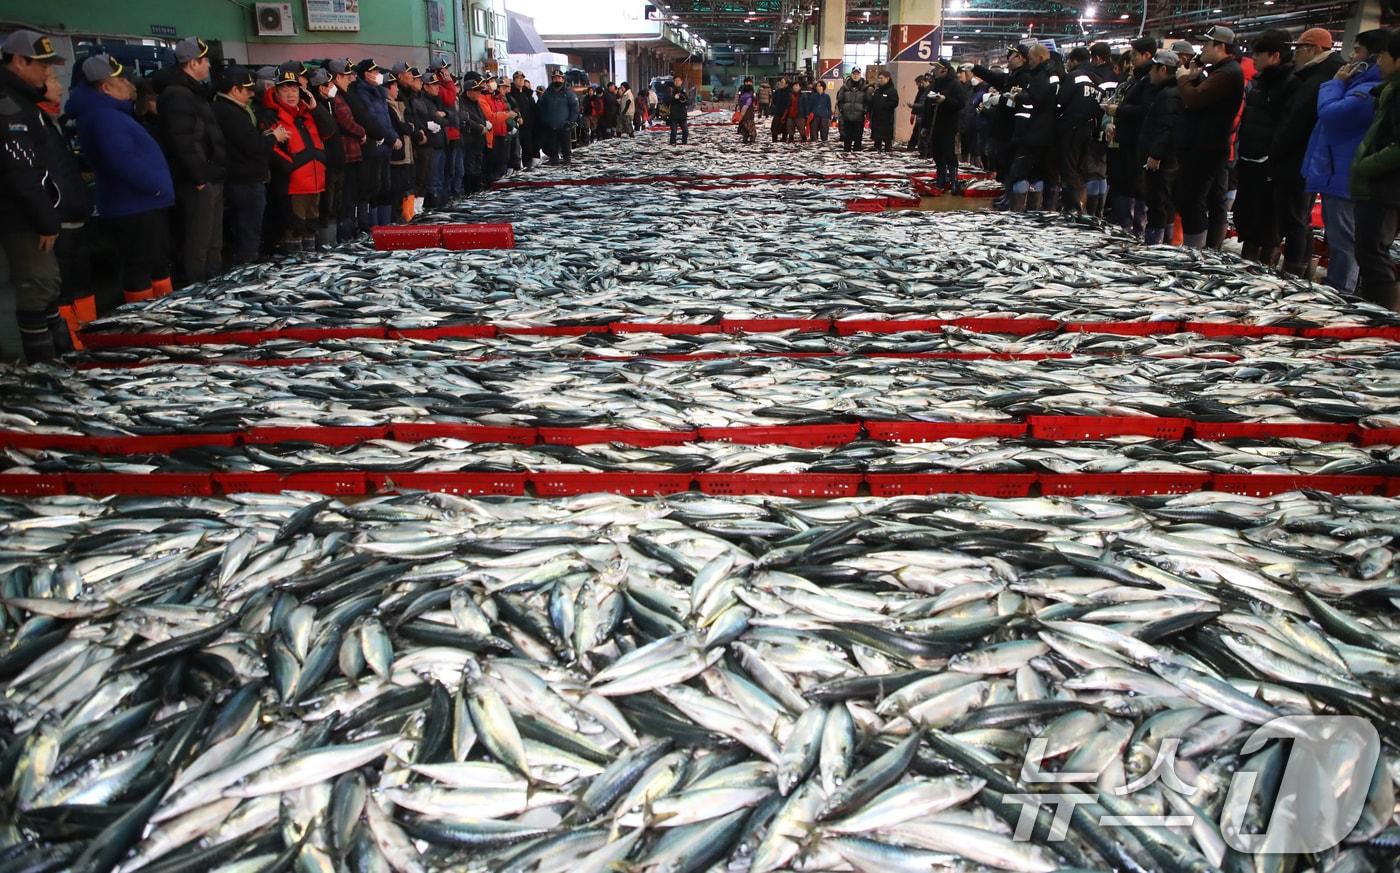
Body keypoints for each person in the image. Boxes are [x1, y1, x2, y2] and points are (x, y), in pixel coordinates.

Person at [0, 30, 89, 361]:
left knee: (46, 289)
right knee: (37, 290)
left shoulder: (22, 103)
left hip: (31, 215)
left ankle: (56, 360)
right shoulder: (9, 106)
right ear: (18, 62)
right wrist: (46, 220)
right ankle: (40, 373)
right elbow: (20, 171)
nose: (47, 74)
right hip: (22, 220)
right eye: (42, 66)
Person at [66, 54, 176, 305]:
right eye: (123, 79)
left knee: (154, 264)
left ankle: (165, 310)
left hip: (143, 204)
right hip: (134, 205)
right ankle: (143, 319)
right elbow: (121, 161)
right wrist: (156, 187)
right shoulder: (105, 118)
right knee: (140, 267)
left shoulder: (112, 114)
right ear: (106, 87)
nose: (130, 84)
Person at [1305, 29, 1388, 294]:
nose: (1350, 57)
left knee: (1345, 243)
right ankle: (1338, 287)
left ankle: (1342, 294)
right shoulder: (1359, 86)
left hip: (1344, 177)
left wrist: (1335, 83)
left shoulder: (1366, 91)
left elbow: (1331, 114)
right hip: (1336, 173)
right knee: (1341, 240)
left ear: (1375, 58)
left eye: (1357, 51)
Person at [1273, 28, 1346, 277]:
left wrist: (1276, 150)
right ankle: (1299, 271)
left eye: (1299, 48)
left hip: (1300, 161)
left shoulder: (1317, 79)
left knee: (1294, 219)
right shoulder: (1319, 75)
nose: (1295, 55)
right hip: (1308, 160)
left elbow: (1296, 123)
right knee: (1299, 218)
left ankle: (1293, 274)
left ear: (1314, 50)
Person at [157, 36, 227, 284]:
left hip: (211, 175)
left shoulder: (195, 93)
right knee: (199, 239)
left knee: (213, 239)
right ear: (192, 63)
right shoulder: (177, 95)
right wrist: (198, 176)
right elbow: (181, 142)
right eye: (205, 60)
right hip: (199, 180)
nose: (208, 65)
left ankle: (215, 283)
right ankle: (197, 290)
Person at [1175, 25, 1245, 248]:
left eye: (1206, 44)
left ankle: (1194, 253)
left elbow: (1194, 100)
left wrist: (1184, 79)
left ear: (1221, 46)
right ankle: (1204, 249)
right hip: (1206, 145)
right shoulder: (1220, 71)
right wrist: (1194, 78)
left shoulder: (1227, 73)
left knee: (1192, 198)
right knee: (1208, 200)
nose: (1202, 49)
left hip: (1207, 147)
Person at [1232, 30, 1296, 265]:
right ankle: (1245, 267)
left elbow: (1289, 127)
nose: (1254, 58)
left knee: (1269, 221)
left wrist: (1273, 157)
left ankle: (1265, 269)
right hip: (1249, 158)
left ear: (1275, 55)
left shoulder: (1291, 83)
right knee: (1246, 215)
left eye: (1259, 53)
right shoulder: (1257, 82)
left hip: (1270, 164)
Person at [1350, 29, 1400, 312]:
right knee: (1368, 251)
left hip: (1385, 187)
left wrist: (1365, 166)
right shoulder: (1390, 90)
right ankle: (1373, 312)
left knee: (1372, 252)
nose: (1378, 62)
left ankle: (1384, 322)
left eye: (1383, 56)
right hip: (1380, 186)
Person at [212, 65, 280, 265]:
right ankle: (247, 267)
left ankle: (248, 260)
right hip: (244, 179)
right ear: (235, 90)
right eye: (247, 89)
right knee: (248, 225)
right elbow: (252, 145)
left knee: (247, 225)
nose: (252, 94)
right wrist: (273, 137)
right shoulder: (230, 112)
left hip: (243, 177)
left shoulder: (227, 108)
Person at [258, 67, 326, 252]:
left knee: (311, 226)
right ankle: (294, 268)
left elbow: (329, 131)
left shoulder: (306, 112)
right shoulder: (269, 115)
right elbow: (271, 149)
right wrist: (292, 167)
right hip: (292, 185)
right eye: (285, 89)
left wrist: (315, 107)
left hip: (315, 181)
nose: (291, 94)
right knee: (294, 228)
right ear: (276, 91)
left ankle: (311, 264)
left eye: (294, 89)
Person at [1103, 37, 1157, 234]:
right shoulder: (1135, 79)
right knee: (1121, 184)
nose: (1131, 59)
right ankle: (1123, 226)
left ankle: (1132, 230)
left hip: (1136, 143)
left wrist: (1119, 111)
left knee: (1133, 186)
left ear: (1147, 55)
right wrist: (1112, 122)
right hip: (1124, 140)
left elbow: (1146, 110)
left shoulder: (1149, 80)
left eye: (1134, 55)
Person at [1138, 51, 1184, 245]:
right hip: (1169, 159)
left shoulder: (1169, 94)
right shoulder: (1172, 91)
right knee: (1164, 202)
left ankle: (1155, 247)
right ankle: (1164, 243)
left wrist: (1155, 154)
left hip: (1163, 160)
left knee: (1158, 202)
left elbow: (1167, 127)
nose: (1150, 73)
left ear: (1163, 69)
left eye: (1153, 68)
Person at [1008, 43, 1059, 211]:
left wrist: (1019, 96)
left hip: (1036, 132)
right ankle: (1036, 212)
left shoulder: (1042, 75)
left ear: (1040, 58)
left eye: (1030, 59)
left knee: (1020, 172)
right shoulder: (1055, 73)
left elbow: (1036, 99)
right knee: (1038, 173)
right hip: (1048, 133)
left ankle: (1018, 213)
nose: (1028, 62)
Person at [347, 60, 395, 229]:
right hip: (372, 147)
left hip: (384, 147)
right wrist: (388, 137)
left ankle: (384, 225)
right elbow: (370, 119)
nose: (378, 76)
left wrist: (392, 136)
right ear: (367, 74)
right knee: (371, 189)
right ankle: (371, 227)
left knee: (384, 187)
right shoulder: (362, 93)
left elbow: (386, 119)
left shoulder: (379, 93)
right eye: (375, 72)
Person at [1059, 47, 1104, 214]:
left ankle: (1074, 209)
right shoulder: (1098, 78)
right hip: (1090, 130)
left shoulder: (1074, 76)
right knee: (1083, 170)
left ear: (1074, 60)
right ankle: (1086, 210)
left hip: (1071, 130)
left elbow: (1060, 102)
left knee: (1070, 169)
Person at [325, 59, 365, 240]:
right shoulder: (337, 98)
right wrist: (362, 131)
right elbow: (347, 123)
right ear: (337, 77)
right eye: (346, 76)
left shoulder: (342, 96)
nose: (350, 80)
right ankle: (345, 233)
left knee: (349, 196)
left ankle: (348, 230)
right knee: (345, 197)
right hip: (346, 154)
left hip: (349, 154)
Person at [308, 69, 344, 249]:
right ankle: (325, 242)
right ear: (321, 88)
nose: (333, 87)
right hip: (326, 163)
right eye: (329, 85)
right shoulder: (315, 107)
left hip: (337, 161)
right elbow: (327, 130)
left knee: (335, 203)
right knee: (325, 205)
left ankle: (332, 240)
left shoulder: (330, 104)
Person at [923, 62, 966, 191]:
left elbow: (961, 103)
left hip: (948, 126)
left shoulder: (955, 84)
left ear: (944, 70)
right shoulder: (935, 84)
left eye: (937, 68)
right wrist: (926, 125)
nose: (934, 70)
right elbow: (927, 107)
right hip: (935, 125)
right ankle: (941, 180)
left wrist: (945, 100)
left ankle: (954, 182)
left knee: (949, 154)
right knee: (937, 154)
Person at [384, 77, 415, 221]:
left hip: (404, 152)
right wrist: (409, 127)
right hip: (396, 155)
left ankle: (405, 214)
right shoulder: (388, 107)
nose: (397, 89)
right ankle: (395, 217)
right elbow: (400, 126)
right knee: (396, 187)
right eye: (394, 86)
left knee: (403, 185)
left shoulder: (397, 105)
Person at [432, 62, 463, 197]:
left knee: (454, 169)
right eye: (444, 70)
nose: (447, 72)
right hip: (447, 134)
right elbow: (449, 99)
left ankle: (450, 195)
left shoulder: (444, 86)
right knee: (445, 170)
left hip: (454, 133)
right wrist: (450, 82)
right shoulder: (440, 87)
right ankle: (445, 196)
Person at [537, 70, 579, 165]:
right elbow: (542, 109)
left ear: (563, 79)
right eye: (555, 78)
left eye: (559, 78)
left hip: (564, 127)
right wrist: (545, 121)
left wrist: (570, 122)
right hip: (550, 127)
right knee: (552, 150)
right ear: (552, 79)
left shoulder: (569, 93)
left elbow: (575, 109)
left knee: (566, 150)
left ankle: (567, 164)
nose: (557, 79)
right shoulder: (547, 94)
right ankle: (554, 162)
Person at [457, 72, 488, 190]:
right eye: (477, 91)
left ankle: (476, 190)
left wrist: (485, 123)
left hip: (478, 142)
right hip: (469, 142)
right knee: (469, 169)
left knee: (477, 168)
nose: (479, 93)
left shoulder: (476, 103)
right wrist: (480, 127)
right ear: (469, 92)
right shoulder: (462, 102)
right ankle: (470, 192)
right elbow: (468, 118)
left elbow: (482, 117)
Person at [837, 71, 869, 153]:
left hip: (859, 118)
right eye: (854, 74)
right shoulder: (844, 87)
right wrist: (842, 109)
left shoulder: (865, 88)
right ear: (851, 75)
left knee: (858, 138)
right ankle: (846, 155)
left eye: (857, 74)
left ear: (860, 75)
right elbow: (840, 100)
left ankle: (857, 155)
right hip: (847, 117)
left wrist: (864, 110)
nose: (855, 76)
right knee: (847, 138)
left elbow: (868, 101)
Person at [867, 71, 899, 153]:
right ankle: (877, 147)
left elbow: (895, 102)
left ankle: (888, 148)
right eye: (879, 78)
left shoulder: (892, 91)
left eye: (881, 78)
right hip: (876, 117)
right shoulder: (877, 91)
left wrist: (883, 106)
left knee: (886, 136)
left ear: (887, 78)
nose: (879, 80)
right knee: (877, 135)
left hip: (886, 118)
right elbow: (873, 102)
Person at [667, 75, 689, 145]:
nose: (677, 82)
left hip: (682, 115)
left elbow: (688, 102)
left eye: (678, 81)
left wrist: (684, 99)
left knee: (686, 131)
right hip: (673, 115)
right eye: (676, 81)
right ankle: (672, 144)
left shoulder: (683, 91)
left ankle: (684, 144)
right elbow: (667, 101)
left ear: (681, 82)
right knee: (674, 132)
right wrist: (674, 98)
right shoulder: (670, 90)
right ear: (674, 82)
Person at [769, 76, 790, 142]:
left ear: (786, 84)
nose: (780, 84)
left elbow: (789, 104)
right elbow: (774, 101)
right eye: (780, 82)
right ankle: (774, 141)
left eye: (782, 82)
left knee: (785, 130)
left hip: (786, 113)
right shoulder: (777, 92)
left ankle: (784, 141)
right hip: (778, 112)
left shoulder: (789, 92)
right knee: (774, 129)